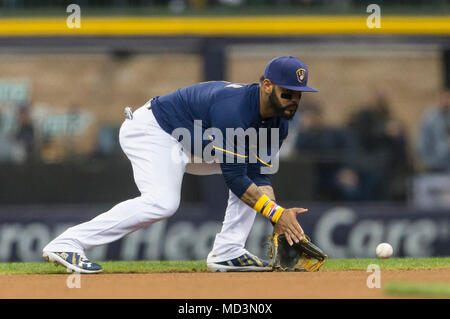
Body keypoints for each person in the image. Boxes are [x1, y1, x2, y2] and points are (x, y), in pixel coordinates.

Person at [42, 56, 318, 273]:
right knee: (163, 202)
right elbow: (234, 179)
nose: (294, 101)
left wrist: (278, 217)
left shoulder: (280, 123)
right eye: (288, 93)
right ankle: (69, 242)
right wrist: (275, 213)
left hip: (190, 141)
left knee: (248, 174)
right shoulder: (234, 109)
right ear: (267, 85)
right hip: (154, 130)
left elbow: (258, 175)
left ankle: (229, 251)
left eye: (299, 95)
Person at [294, 103, 359, 201]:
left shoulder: (335, 134)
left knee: (348, 187)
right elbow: (299, 153)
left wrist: (347, 169)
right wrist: (306, 133)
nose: (311, 120)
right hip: (312, 175)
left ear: (319, 116)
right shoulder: (303, 136)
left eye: (313, 117)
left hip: (335, 173)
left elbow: (349, 151)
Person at [416, 89, 450, 173]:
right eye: (445, 98)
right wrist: (427, 161)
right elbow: (421, 142)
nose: (447, 101)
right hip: (433, 165)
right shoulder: (430, 118)